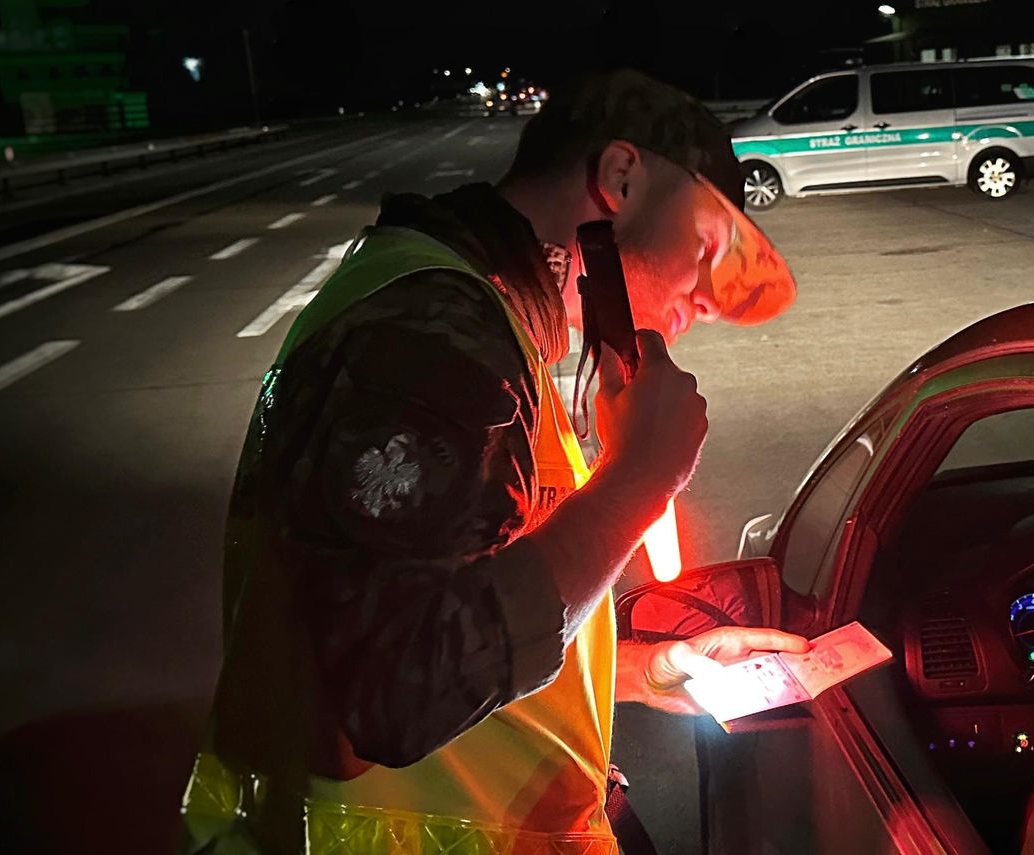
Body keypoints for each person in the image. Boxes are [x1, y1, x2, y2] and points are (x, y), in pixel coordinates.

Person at [180, 68, 806, 854]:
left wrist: (647, 669)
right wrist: (640, 479)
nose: (711, 297)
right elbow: (388, 691)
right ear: (620, 178)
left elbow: (449, 609)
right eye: (708, 242)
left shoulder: (481, 321)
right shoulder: (432, 335)